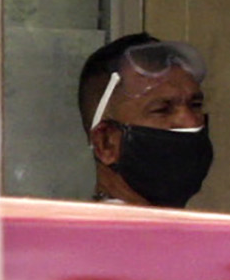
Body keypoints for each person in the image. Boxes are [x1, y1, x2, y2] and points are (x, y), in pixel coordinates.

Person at [77, 33, 214, 208]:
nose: (192, 122)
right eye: (162, 110)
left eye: (195, 105)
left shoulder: (193, 232)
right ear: (105, 143)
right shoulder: (90, 234)